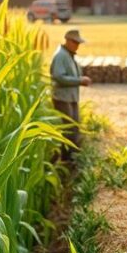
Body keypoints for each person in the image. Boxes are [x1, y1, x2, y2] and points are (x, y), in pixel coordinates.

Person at [50, 28, 92, 160]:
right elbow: (58, 76)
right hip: (63, 98)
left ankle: (72, 158)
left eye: (78, 42)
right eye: (75, 42)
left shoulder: (68, 54)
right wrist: (79, 80)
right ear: (67, 40)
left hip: (71, 97)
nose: (77, 45)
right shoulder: (61, 55)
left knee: (74, 127)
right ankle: (66, 159)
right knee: (69, 130)